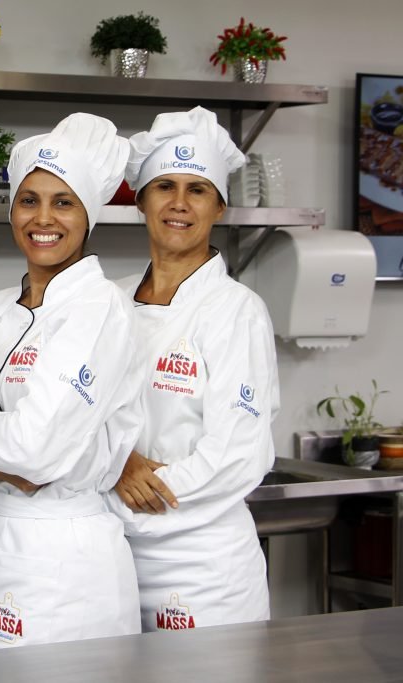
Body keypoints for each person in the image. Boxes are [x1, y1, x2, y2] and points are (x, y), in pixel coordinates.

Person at [0, 113, 143, 650]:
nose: (43, 218)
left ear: (88, 216)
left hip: (61, 560)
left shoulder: (97, 308)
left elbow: (35, 452)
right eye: (29, 200)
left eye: (64, 202)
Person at [108, 106, 279, 632]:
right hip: (110, 559)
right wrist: (119, 465)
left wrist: (125, 488)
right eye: (164, 187)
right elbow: (79, 419)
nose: (179, 204)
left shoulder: (236, 310)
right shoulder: (107, 303)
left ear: (219, 208)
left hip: (204, 569)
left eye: (197, 189)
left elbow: (236, 454)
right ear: (140, 200)